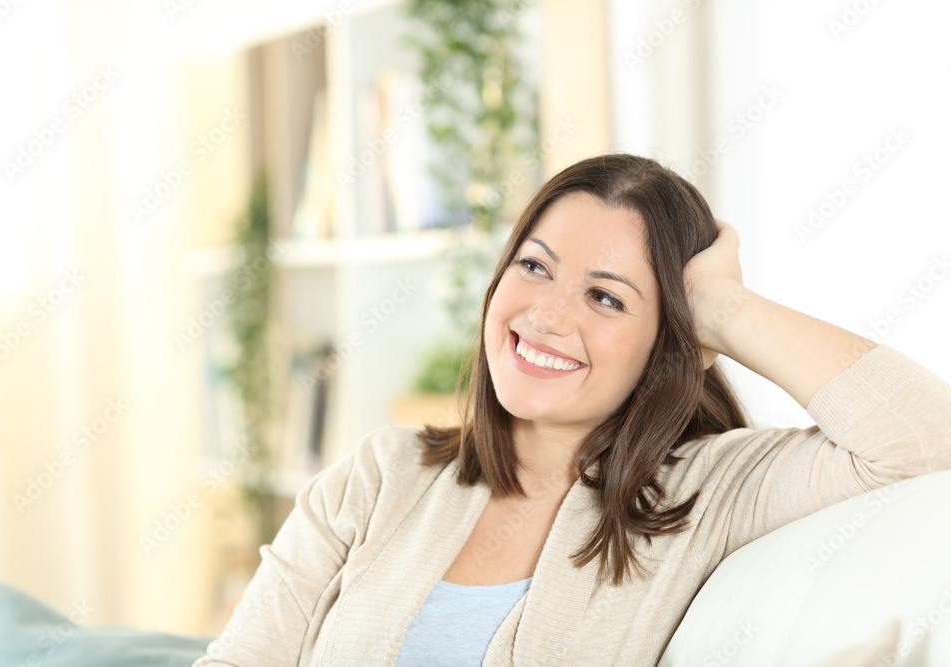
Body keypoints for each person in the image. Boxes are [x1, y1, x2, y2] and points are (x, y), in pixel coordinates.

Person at [192, 153, 951, 666]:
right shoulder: (378, 476)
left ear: (672, 340)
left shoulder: (707, 490)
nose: (547, 315)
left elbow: (922, 439)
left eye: (606, 296)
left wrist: (723, 309)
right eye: (533, 266)